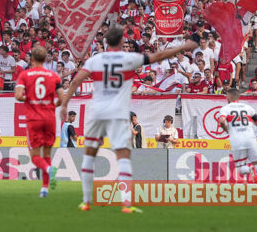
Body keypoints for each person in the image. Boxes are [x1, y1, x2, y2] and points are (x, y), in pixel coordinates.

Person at [62, 25, 198, 213]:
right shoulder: (129, 59)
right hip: (118, 112)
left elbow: (76, 81)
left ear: (105, 42)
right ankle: (126, 204)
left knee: (90, 153)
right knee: (123, 156)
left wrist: (64, 104)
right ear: (122, 42)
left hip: (98, 111)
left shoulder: (96, 60)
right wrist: (182, 47)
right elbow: (158, 56)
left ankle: (86, 201)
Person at [15, 45, 66, 197]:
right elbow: (62, 98)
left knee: (35, 156)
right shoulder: (54, 76)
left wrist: (30, 99)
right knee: (47, 154)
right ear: (45, 59)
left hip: (34, 118)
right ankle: (44, 188)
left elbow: (18, 96)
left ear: (31, 59)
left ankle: (49, 170)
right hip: (50, 118)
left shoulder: (25, 75)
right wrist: (51, 105)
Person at [219, 86, 257, 180]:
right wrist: (249, 122)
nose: (226, 97)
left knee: (241, 169)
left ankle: (250, 169)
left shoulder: (225, 108)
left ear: (229, 97)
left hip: (237, 140)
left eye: (226, 96)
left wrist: (226, 129)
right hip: (250, 138)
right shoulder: (248, 107)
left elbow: (222, 120)